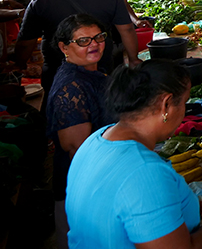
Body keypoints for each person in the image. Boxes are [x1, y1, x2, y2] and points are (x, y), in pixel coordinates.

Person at [65, 59, 202, 248]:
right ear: (166, 105)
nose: (185, 110)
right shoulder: (145, 171)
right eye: (184, 102)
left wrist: (184, 209)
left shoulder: (95, 140)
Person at [15, 0, 139, 93]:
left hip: (57, 69)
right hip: (100, 63)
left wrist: (19, 64)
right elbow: (127, 29)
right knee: (102, 103)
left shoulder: (42, 2)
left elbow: (26, 42)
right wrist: (133, 59)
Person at [47, 14, 115, 249]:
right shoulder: (71, 87)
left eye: (98, 37)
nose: (94, 44)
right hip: (85, 190)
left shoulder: (89, 72)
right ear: (64, 47)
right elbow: (79, 151)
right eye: (83, 41)